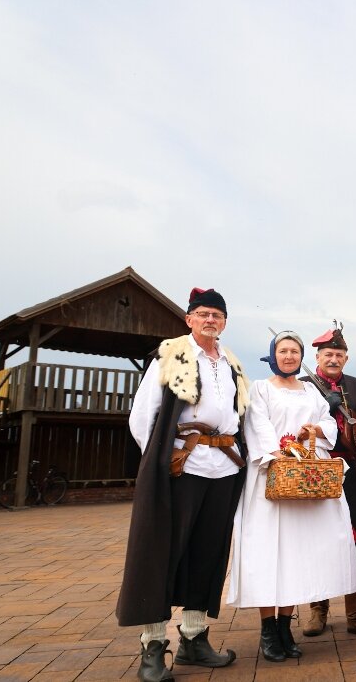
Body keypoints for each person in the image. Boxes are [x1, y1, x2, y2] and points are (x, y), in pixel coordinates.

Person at [117, 287, 246, 682]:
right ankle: (152, 646)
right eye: (203, 314)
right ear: (189, 319)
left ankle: (193, 638)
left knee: (208, 554)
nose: (210, 320)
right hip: (182, 468)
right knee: (161, 552)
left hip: (223, 468)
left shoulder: (231, 364)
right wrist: (161, 460)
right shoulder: (171, 355)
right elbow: (143, 417)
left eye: (217, 315)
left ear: (224, 322)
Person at [225, 330, 356, 662]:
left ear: (301, 358)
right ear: (273, 354)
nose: (289, 356)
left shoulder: (311, 392)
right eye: (283, 351)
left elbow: (328, 424)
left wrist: (314, 432)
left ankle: (286, 625)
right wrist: (279, 455)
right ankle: (267, 629)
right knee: (267, 554)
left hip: (306, 481)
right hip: (271, 480)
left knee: (295, 555)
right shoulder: (260, 388)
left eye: (294, 352)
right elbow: (257, 426)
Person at [298, 324, 356, 640]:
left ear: (346, 358)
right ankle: (318, 611)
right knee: (317, 541)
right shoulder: (305, 385)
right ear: (318, 356)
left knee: (355, 539)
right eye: (328, 354)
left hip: (347, 471)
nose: (334, 359)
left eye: (339, 354)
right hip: (316, 469)